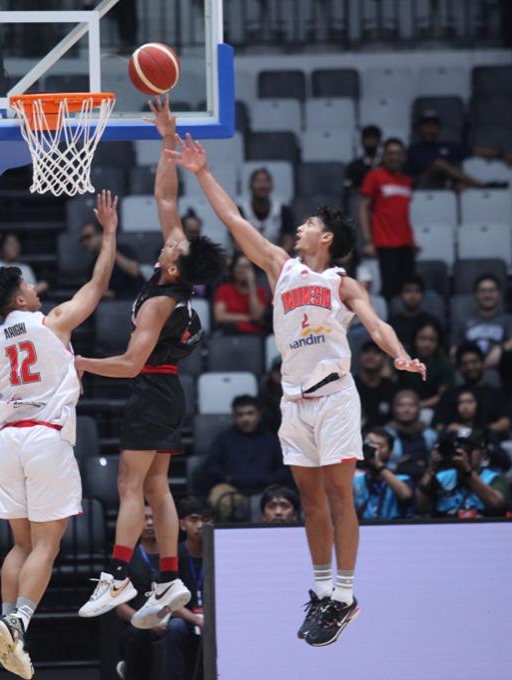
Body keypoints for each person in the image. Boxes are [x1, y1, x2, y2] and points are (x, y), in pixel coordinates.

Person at [169, 130, 426, 646]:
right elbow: (234, 221)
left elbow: (375, 324)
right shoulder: (279, 268)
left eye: (308, 224)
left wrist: (397, 352)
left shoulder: (341, 282)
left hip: (333, 396)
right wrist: (201, 174)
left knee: (338, 497)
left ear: (326, 238)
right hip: (294, 401)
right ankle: (323, 591)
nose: (300, 229)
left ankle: (347, 594)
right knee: (310, 502)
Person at [77, 98, 225, 631]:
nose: (165, 246)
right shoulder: (175, 277)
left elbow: (129, 362)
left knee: (129, 486)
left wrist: (82, 362)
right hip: (168, 394)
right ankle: (167, 579)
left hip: (150, 389)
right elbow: (167, 193)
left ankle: (117, 573)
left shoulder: (163, 302)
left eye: (171, 249)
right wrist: (168, 134)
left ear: (176, 266)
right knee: (158, 485)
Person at [0, 191, 120, 679]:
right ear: (20, 298)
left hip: (8, 442)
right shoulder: (53, 322)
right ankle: (18, 622)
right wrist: (110, 234)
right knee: (47, 545)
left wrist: (1, 450)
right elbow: (98, 285)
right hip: (45, 437)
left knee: (19, 544)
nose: (37, 288)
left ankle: (7, 620)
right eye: (29, 285)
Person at [203, 395, 289, 520]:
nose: (245, 419)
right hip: (232, 486)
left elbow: (285, 469)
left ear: (259, 414)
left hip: (268, 487)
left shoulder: (271, 440)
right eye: (240, 414)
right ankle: (219, 537)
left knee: (283, 500)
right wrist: (229, 478)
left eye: (250, 413)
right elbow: (211, 467)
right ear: (234, 416)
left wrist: (266, 479)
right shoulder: (223, 439)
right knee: (218, 497)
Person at [451, 274, 512, 403]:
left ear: (499, 294)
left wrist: (499, 349)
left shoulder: (508, 319)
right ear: (475, 295)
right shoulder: (464, 320)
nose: (487, 295)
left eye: (491, 290)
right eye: (482, 291)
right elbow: (454, 347)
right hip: (469, 363)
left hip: (497, 364)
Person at [357, 138, 416, 301]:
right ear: (383, 156)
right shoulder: (374, 177)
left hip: (406, 244)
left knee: (407, 291)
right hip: (384, 245)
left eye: (398, 153)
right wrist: (368, 241)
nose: (394, 157)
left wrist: (412, 241)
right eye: (390, 153)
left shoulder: (406, 181)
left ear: (404, 157)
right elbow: (363, 208)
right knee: (389, 292)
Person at [163, 496, 211, 680]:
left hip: (213, 617)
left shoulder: (220, 551)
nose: (200, 525)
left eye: (206, 520)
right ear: (182, 524)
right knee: (175, 627)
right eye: (194, 519)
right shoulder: (173, 555)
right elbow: (168, 600)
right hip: (185, 617)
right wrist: (196, 620)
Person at [405, 110, 512, 190]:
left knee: (459, 184)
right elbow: (407, 179)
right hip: (422, 189)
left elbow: (474, 151)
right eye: (426, 125)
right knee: (439, 164)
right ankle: (482, 186)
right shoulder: (412, 151)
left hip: (447, 187)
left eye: (433, 125)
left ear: (439, 128)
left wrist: (501, 154)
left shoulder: (448, 147)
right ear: (419, 128)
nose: (430, 129)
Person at [114, 504, 162, 680]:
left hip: (173, 619)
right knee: (136, 634)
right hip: (141, 622)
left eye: (154, 518)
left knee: (179, 629)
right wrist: (149, 622)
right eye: (144, 519)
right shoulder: (125, 560)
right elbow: (120, 607)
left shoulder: (174, 555)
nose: (149, 523)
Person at [417, 429, 511, 517]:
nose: (462, 452)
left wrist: (467, 472)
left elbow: (496, 504)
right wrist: (431, 470)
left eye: (469, 448)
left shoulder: (495, 478)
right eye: (458, 447)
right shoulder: (441, 477)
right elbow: (421, 508)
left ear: (483, 454)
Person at [434, 343, 512, 436]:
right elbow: (438, 424)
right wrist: (457, 430)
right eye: (465, 364)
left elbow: (507, 422)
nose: (470, 367)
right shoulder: (449, 394)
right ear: (459, 368)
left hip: (491, 441)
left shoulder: (497, 393)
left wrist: (478, 433)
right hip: (455, 442)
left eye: (474, 362)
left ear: (483, 363)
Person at [354, 428, 414, 520]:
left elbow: (405, 495)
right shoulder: (355, 481)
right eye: (369, 444)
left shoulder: (402, 479)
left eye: (379, 446)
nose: (373, 449)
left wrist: (379, 465)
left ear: (390, 453)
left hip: (395, 530)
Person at [398, 322, 457, 409]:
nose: (427, 344)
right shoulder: (404, 356)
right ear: (414, 339)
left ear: (438, 342)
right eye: (422, 339)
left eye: (432, 340)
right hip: (401, 407)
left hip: (431, 410)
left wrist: (418, 406)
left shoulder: (444, 364)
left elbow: (443, 396)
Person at [79, 220, 144, 299]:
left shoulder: (124, 249)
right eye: (82, 239)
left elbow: (134, 271)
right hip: (117, 304)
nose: (84, 242)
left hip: (137, 299)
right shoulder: (92, 266)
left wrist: (110, 250)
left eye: (88, 237)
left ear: (102, 234)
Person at [213, 253, 269, 335]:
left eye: (246, 267)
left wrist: (252, 285)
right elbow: (220, 317)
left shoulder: (260, 291)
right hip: (230, 334)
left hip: (254, 336)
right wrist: (247, 318)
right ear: (233, 270)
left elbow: (256, 316)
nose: (242, 270)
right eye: (239, 266)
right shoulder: (224, 289)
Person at [382, 389, 437, 471]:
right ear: (394, 408)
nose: (406, 410)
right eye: (401, 405)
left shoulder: (430, 434)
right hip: (393, 478)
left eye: (411, 405)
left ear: (418, 408)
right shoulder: (385, 434)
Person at [238, 167, 293, 244]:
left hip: (276, 254)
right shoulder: (240, 211)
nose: (262, 185)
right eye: (257, 181)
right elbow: (236, 243)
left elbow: (288, 241)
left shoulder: (283, 211)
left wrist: (277, 255)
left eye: (265, 181)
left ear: (271, 186)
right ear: (250, 186)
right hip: (247, 254)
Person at [388, 274, 443, 350]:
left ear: (423, 295)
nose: (413, 295)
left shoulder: (432, 322)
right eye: (408, 291)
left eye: (417, 291)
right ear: (400, 295)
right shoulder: (392, 324)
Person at [355, 341, 397, 429]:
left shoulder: (391, 387)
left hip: (384, 435)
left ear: (384, 359)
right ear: (360, 357)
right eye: (367, 352)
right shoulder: (350, 385)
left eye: (376, 353)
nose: (371, 357)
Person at [345, 125, 382, 189]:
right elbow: (350, 188)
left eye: (373, 138)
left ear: (379, 142)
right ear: (361, 142)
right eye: (367, 139)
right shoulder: (353, 166)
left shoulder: (386, 165)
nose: (370, 141)